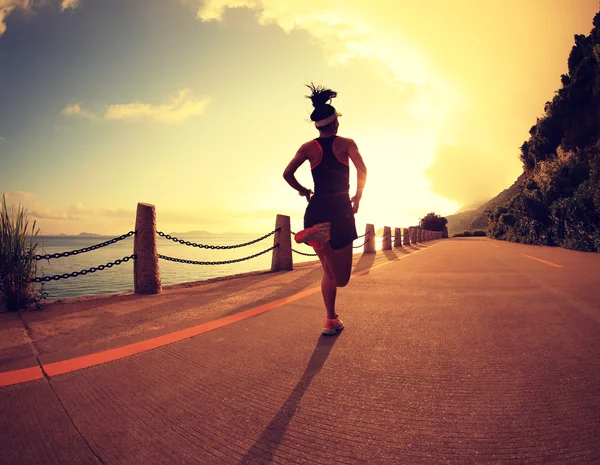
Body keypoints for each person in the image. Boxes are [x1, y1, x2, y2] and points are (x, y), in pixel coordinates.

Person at [283, 83, 367, 335]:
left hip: (316, 211)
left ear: (319, 126)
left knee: (328, 273)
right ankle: (325, 245)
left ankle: (331, 319)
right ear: (335, 123)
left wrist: (302, 190)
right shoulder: (347, 143)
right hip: (339, 211)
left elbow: (287, 173)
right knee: (341, 278)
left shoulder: (308, 148)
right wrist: (358, 197)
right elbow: (362, 170)